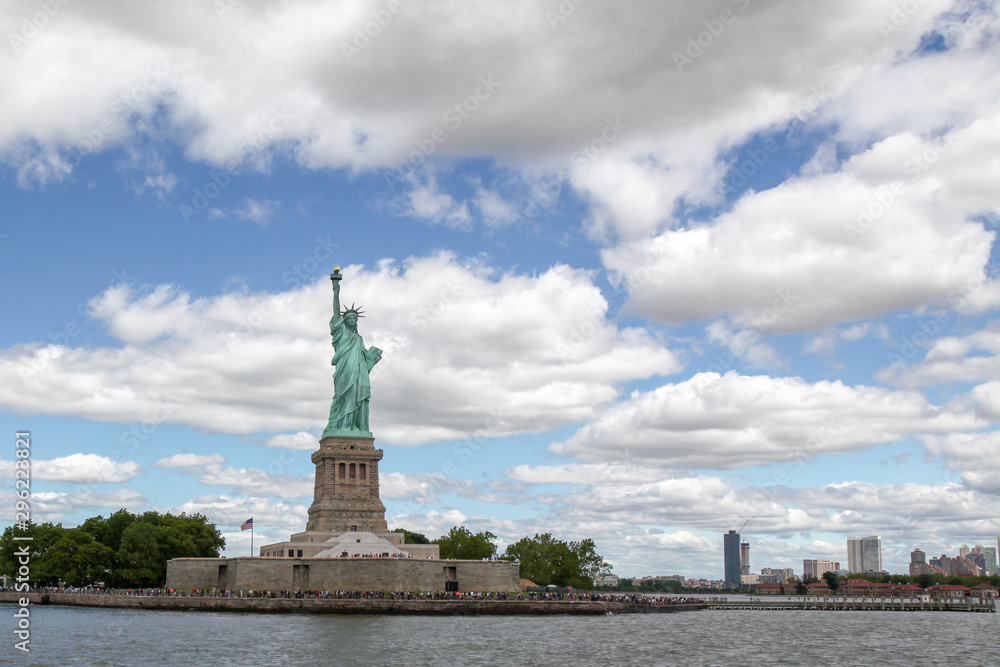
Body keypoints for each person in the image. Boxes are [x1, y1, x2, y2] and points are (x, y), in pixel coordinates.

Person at [322, 270, 382, 438]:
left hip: (359, 373)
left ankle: (355, 426)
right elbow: (336, 312)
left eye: (354, 319)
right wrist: (336, 289)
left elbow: (365, 358)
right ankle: (341, 425)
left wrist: (372, 358)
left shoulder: (359, 338)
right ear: (344, 320)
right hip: (344, 370)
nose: (352, 320)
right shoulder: (340, 333)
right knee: (342, 396)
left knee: (357, 395)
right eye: (349, 318)